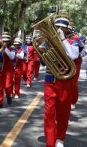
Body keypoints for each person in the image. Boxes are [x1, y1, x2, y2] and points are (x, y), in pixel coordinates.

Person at [42, 16, 80, 147]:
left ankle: (60, 138)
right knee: (49, 113)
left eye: (62, 27)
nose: (58, 30)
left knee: (63, 112)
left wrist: (62, 39)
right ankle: (50, 142)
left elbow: (74, 55)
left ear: (67, 29)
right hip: (50, 80)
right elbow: (42, 60)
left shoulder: (75, 40)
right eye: (56, 27)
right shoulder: (48, 41)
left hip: (66, 80)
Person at [0, 33, 16, 109]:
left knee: (7, 86)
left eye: (6, 41)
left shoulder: (12, 48)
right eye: (4, 41)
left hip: (8, 69)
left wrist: (5, 48)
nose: (5, 42)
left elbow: (12, 57)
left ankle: (9, 95)